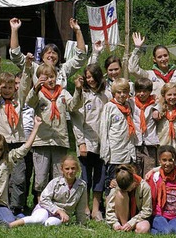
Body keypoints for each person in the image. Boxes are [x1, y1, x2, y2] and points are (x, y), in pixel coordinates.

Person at [25, 64, 84, 201]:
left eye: (52, 77)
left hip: (59, 140)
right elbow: (29, 102)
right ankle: (40, 205)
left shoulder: (63, 93)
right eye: (45, 78)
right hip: (42, 140)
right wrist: (35, 88)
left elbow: (74, 106)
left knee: (58, 176)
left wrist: (78, 90)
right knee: (41, 176)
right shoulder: (38, 93)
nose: (50, 80)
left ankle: (57, 205)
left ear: (56, 77)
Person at [0, 54, 32, 215]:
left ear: (14, 89)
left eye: (10, 88)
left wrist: (27, 65)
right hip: (0, 144)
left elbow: (25, 84)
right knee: (0, 176)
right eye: (4, 87)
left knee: (18, 178)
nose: (6, 90)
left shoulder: (18, 100)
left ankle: (16, 207)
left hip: (17, 143)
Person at [70, 63, 110, 221]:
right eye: (87, 77)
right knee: (86, 177)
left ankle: (96, 209)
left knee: (100, 177)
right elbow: (76, 117)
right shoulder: (82, 94)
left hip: (103, 143)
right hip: (87, 141)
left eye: (93, 76)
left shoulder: (105, 94)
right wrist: (81, 143)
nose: (90, 79)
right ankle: (84, 207)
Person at [9, 155, 88, 228]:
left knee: (49, 224)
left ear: (77, 169)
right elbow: (43, 199)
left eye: (73, 168)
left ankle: (36, 225)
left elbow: (81, 207)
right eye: (67, 169)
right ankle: (10, 225)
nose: (70, 171)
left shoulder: (82, 186)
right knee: (39, 219)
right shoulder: (55, 182)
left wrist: (81, 224)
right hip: (45, 208)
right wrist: (58, 210)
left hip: (61, 216)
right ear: (62, 169)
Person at [9, 17, 87, 89]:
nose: (51, 55)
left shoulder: (64, 69)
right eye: (48, 53)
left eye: (54, 53)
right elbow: (16, 55)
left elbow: (80, 58)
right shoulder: (35, 68)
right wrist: (14, 30)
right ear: (42, 57)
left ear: (58, 57)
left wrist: (78, 31)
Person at [128, 31, 176, 96]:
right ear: (154, 59)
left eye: (165, 55)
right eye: (159, 57)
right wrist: (137, 49)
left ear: (169, 56)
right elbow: (133, 70)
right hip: (157, 111)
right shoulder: (149, 75)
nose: (163, 59)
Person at [100, 78, 138, 194]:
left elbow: (133, 85)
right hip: (114, 153)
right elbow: (103, 130)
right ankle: (110, 209)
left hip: (127, 152)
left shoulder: (129, 105)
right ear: (113, 93)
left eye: (125, 92)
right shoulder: (109, 107)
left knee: (126, 183)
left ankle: (125, 210)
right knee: (112, 183)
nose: (122, 95)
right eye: (119, 92)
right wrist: (105, 153)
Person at [147, 146, 176, 234]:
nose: (167, 163)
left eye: (170, 160)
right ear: (159, 161)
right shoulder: (155, 177)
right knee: (166, 232)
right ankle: (151, 229)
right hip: (159, 214)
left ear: (175, 160)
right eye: (164, 160)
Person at [106, 164, 152, 233]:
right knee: (120, 194)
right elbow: (109, 210)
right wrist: (114, 223)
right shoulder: (118, 184)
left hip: (138, 219)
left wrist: (132, 222)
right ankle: (123, 226)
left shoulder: (145, 187)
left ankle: (129, 228)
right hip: (121, 217)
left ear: (133, 182)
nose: (128, 191)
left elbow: (147, 210)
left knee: (144, 228)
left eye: (128, 189)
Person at [131, 77, 160, 177]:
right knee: (135, 174)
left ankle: (149, 192)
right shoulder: (131, 103)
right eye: (139, 91)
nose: (142, 94)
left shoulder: (155, 103)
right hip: (136, 143)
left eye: (145, 91)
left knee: (149, 174)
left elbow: (163, 104)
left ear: (150, 91)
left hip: (150, 144)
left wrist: (157, 110)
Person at [155, 83, 176, 166]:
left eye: (175, 95)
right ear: (164, 96)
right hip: (162, 150)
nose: (172, 97)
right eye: (169, 95)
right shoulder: (159, 111)